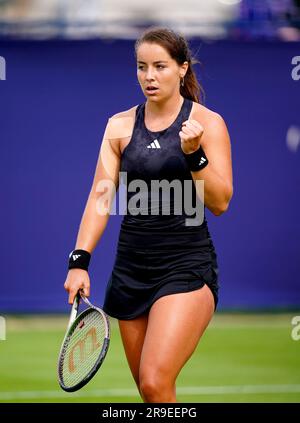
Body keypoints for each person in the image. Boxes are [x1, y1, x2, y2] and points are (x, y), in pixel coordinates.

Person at [64, 27, 233, 403]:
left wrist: (194, 155)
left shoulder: (208, 123)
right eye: (142, 67)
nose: (149, 76)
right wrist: (79, 261)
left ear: (182, 69)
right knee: (150, 392)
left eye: (160, 66)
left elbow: (220, 201)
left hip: (186, 266)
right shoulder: (119, 126)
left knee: (155, 381)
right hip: (130, 271)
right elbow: (100, 198)